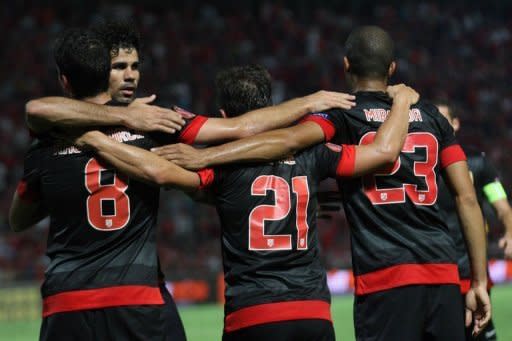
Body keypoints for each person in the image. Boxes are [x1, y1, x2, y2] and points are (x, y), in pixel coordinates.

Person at [153, 26, 491, 340]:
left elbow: (286, 142)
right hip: (445, 273)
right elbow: (467, 199)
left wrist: (207, 157)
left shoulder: (341, 114)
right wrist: (478, 280)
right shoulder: (431, 115)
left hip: (384, 276)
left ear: (346, 66)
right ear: (392, 68)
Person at [66, 64, 419, 340]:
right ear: (269, 105)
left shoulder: (220, 166)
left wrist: (99, 141)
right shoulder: (316, 154)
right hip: (312, 311)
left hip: (252, 313)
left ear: (223, 115)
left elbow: (162, 174)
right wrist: (401, 103)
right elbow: (380, 155)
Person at [436, 100, 512, 341]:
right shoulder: (419, 166)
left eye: (442, 119)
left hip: (471, 267)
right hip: (435, 267)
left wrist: (510, 231)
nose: (436, 125)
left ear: (455, 124)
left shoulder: (478, 163)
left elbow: (501, 205)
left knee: (479, 333)